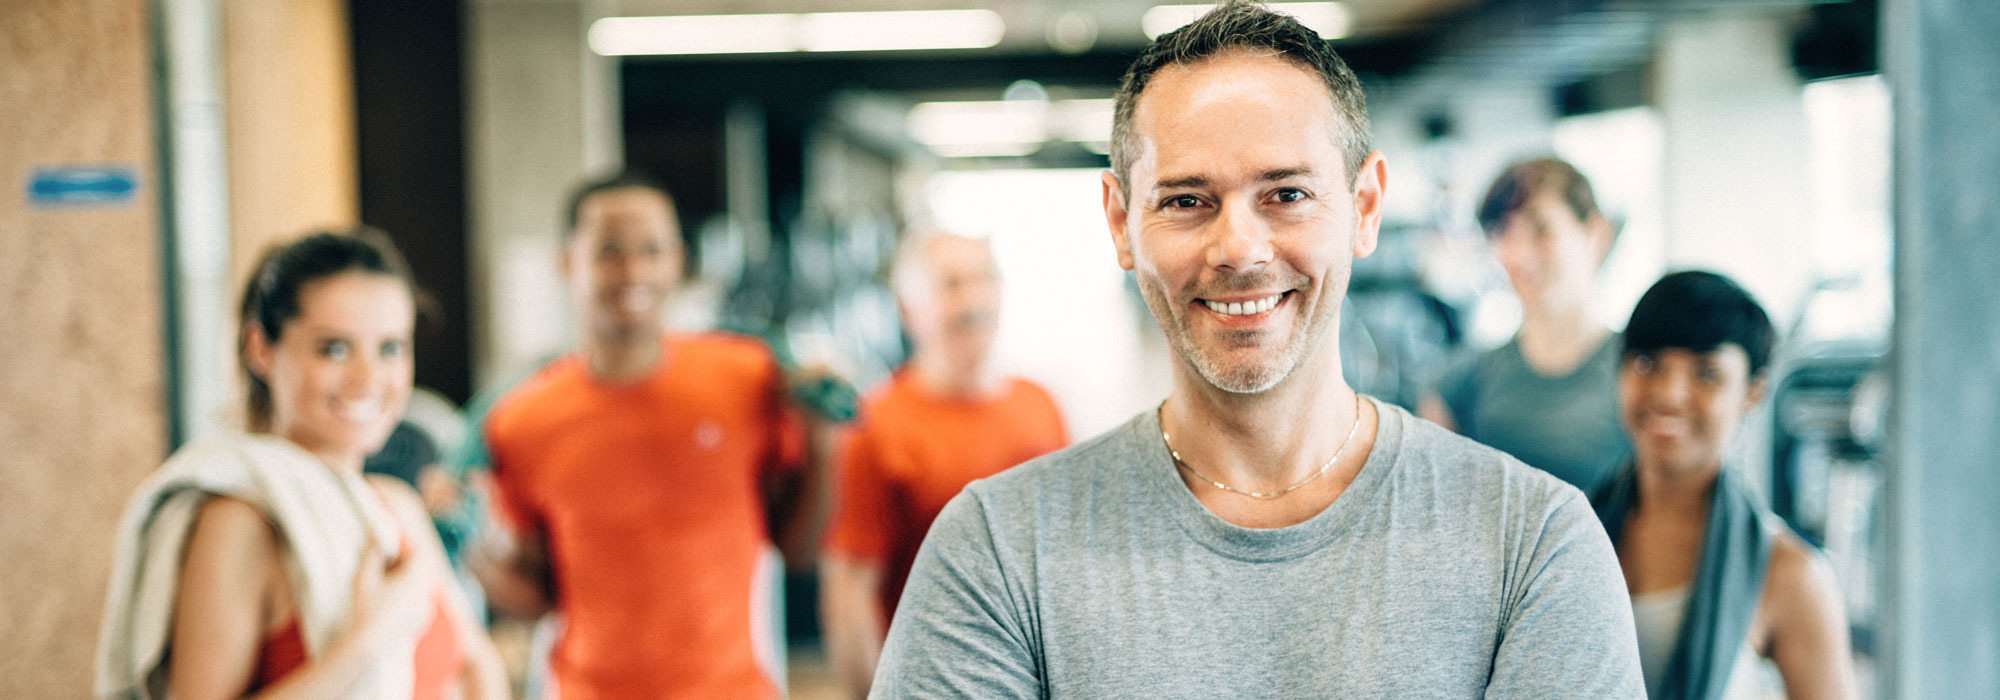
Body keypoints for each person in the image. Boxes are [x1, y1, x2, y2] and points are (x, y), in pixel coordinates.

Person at [870, 2, 1643, 697]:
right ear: (1119, 223)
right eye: (1186, 200)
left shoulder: (1534, 544)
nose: (1239, 247)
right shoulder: (999, 554)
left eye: (1288, 193)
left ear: (1364, 208)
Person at [468, 171, 837, 699]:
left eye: (652, 249)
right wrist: (465, 549)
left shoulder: (747, 376)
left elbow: (798, 549)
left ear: (679, 261)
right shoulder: (522, 419)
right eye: (610, 251)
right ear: (567, 262)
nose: (633, 270)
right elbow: (537, 595)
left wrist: (821, 443)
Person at [96, 230, 507, 700]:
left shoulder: (398, 506)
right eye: (333, 348)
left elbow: (479, 668)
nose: (367, 378)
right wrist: (370, 641)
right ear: (261, 348)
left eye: (390, 348)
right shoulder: (242, 523)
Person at [818, 231, 1069, 698]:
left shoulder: (1042, 406)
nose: (972, 299)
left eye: (983, 280)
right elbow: (850, 590)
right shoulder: (875, 424)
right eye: (951, 285)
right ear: (909, 310)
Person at [1594, 271, 1857, 700]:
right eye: (1648, 364)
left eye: (1706, 373)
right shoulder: (1571, 532)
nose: (1670, 394)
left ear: (1753, 393)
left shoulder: (1790, 573)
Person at [1419, 157, 1631, 495]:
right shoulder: (1463, 381)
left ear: (1597, 233)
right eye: (1503, 232)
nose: (1518, 255)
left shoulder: (1639, 373)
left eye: (1541, 229)